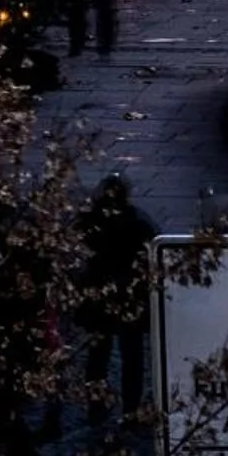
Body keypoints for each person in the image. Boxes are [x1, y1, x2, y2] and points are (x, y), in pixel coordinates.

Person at [75, 174, 158, 418]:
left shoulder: (89, 220)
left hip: (98, 294)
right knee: (131, 357)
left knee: (98, 355)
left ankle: (96, 407)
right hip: (129, 297)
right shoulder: (138, 221)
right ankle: (131, 408)